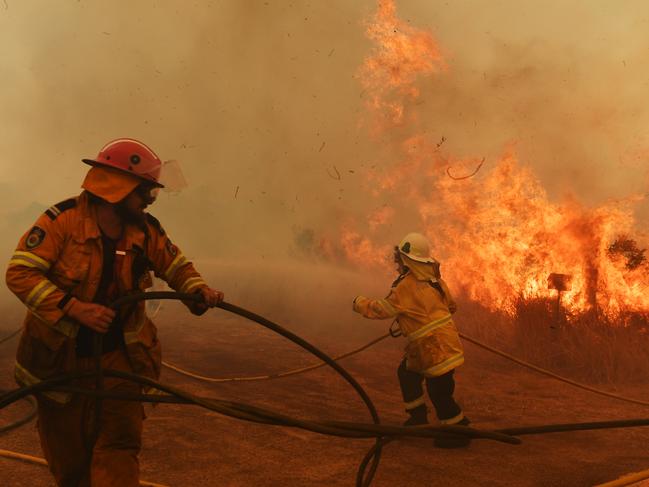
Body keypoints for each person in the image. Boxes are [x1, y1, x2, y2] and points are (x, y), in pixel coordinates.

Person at [5, 138, 224, 486]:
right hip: (62, 366)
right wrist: (73, 308)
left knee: (119, 452)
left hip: (122, 363)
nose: (150, 202)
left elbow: (177, 264)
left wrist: (197, 290)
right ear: (119, 191)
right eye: (145, 193)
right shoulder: (61, 222)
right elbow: (20, 273)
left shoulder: (146, 230)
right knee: (71, 467)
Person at [353, 232, 469, 447]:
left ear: (406, 261)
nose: (397, 265)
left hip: (434, 350)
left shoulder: (405, 286)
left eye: (399, 260)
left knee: (439, 393)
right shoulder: (436, 281)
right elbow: (451, 306)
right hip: (439, 343)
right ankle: (418, 419)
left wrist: (359, 303)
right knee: (407, 373)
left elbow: (382, 309)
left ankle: (459, 431)